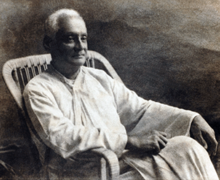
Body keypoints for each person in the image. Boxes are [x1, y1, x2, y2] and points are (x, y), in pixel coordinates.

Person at [23, 8, 219, 180]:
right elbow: (62, 136)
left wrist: (191, 118)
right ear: (49, 44)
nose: (80, 46)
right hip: (80, 173)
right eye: (69, 38)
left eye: (83, 38)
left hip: (122, 162)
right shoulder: (38, 89)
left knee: (188, 148)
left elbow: (140, 109)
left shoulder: (99, 78)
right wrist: (128, 141)